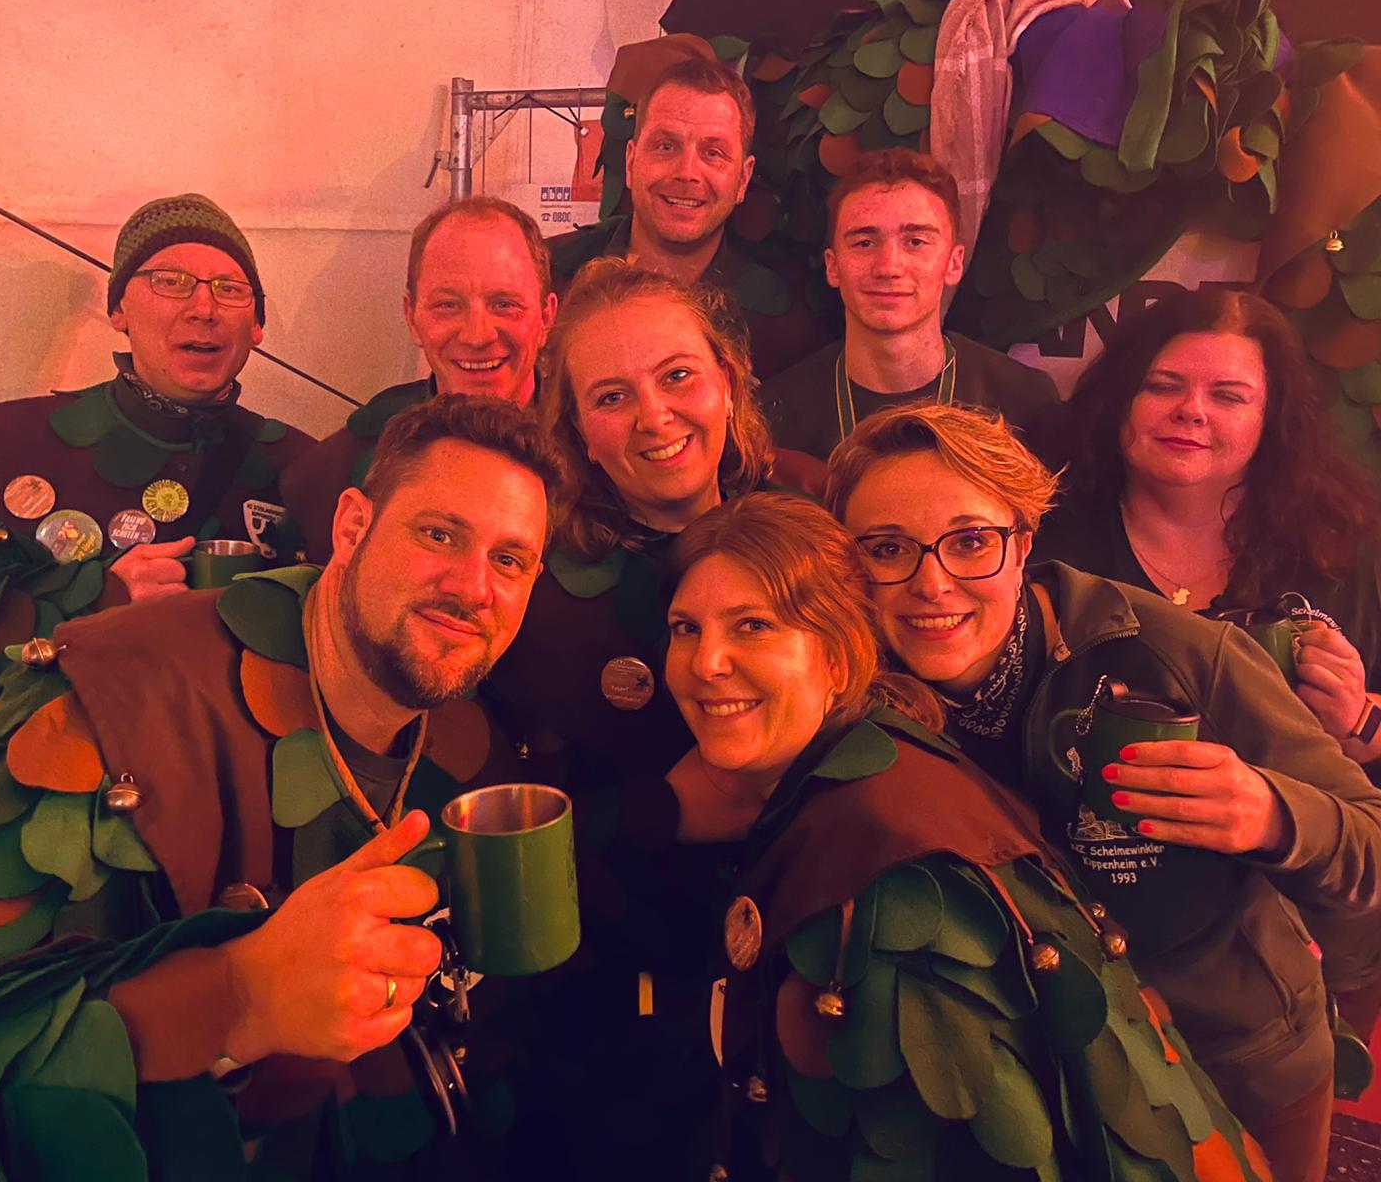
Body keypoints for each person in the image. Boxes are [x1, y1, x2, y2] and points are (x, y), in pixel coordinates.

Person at [0, 395, 571, 1182]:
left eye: (510, 561)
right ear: (350, 527)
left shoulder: (471, 747)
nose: (474, 587)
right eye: (438, 534)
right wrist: (236, 999)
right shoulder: (102, 709)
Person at [536, 490, 1268, 1179]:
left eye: (753, 625)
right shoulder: (860, 769)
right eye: (686, 629)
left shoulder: (888, 872)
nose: (705, 663)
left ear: (836, 656)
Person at [826, 401, 1381, 1182]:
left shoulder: (1179, 652)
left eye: (972, 541)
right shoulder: (847, 693)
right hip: (1028, 1090)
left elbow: (1370, 839)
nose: (932, 583)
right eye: (887, 549)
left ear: (1024, 543)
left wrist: (1272, 815)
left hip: (1234, 1068)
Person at [1032, 285, 1381, 1051]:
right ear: (1121, 401)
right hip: (1092, 916)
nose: (1191, 411)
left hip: (1304, 928)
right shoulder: (1042, 539)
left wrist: (1361, 721)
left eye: (1228, 395)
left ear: (1270, 419)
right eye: (1164, 386)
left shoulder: (1338, 547)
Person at [0, 193, 317, 741]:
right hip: (51, 776)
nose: (204, 307)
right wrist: (96, 598)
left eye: (230, 289)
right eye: (170, 281)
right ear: (118, 310)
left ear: (257, 325)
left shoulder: (304, 468)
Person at [481, 257, 824, 784]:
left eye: (677, 376)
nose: (655, 417)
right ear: (580, 432)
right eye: (612, 397)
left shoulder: (815, 525)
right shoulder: (533, 594)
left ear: (727, 383)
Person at [280, 195, 558, 564]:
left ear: (546, 317)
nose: (477, 335)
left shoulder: (601, 451)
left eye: (504, 304)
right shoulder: (342, 466)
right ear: (412, 318)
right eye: (448, 305)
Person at [764, 149, 1061, 462]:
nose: (888, 267)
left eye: (916, 242)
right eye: (864, 243)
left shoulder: (1025, 403)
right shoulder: (773, 417)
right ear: (832, 266)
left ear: (954, 263)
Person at [549, 56, 832, 381]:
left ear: (743, 179)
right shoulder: (551, 279)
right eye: (666, 146)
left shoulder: (789, 325)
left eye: (713, 153)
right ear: (630, 162)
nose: (687, 173)